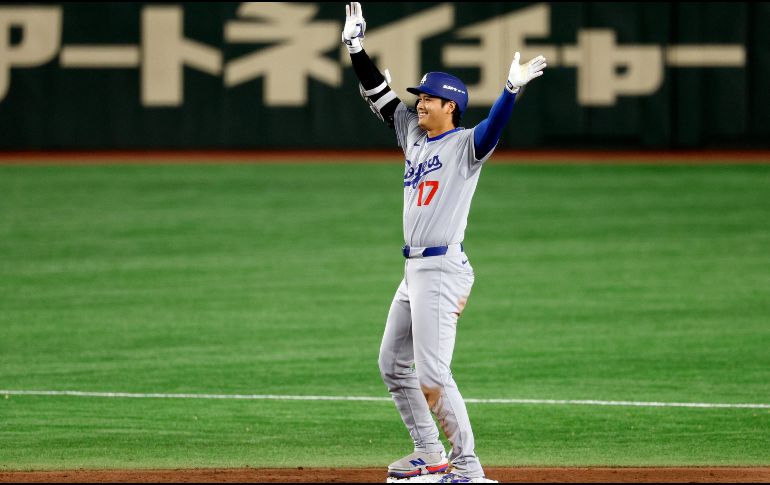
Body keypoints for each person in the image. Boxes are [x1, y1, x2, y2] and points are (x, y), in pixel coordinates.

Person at [342, 3, 546, 483]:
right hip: (413, 271)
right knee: (393, 364)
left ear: (449, 106)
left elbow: (494, 128)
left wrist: (510, 91)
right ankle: (429, 452)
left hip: (441, 269)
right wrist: (356, 48)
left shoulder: (466, 146)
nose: (419, 103)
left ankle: (468, 467)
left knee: (432, 374)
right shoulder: (412, 134)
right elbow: (380, 95)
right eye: (419, 97)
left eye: (428, 99)